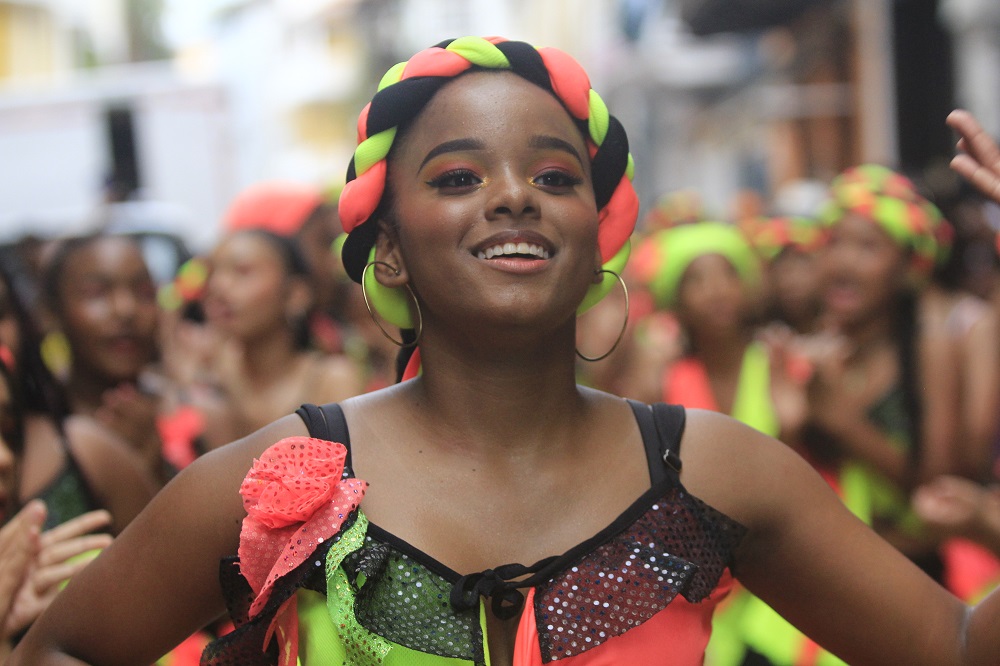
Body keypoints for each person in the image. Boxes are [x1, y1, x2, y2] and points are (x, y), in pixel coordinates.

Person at [10, 38, 1000, 666]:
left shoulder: (710, 469)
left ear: (596, 234)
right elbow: (72, 649)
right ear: (387, 244)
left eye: (554, 173)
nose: (513, 195)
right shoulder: (289, 478)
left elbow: (957, 647)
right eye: (456, 176)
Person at [199, 228, 365, 441]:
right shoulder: (209, 379)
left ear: (296, 294)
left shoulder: (331, 380)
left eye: (242, 271)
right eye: (212, 273)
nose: (217, 287)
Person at [40, 233, 168, 481]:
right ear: (52, 313)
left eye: (143, 292)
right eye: (96, 293)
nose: (126, 309)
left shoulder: (201, 419)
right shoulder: (34, 431)